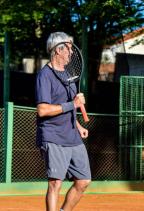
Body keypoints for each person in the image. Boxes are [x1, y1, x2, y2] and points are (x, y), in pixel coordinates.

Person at [35, 32, 91, 211]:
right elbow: (42, 110)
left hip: (72, 136)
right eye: (69, 48)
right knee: (55, 183)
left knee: (83, 181)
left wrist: (78, 125)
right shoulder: (45, 75)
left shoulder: (68, 75)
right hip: (53, 136)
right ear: (58, 50)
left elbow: (70, 109)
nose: (72, 52)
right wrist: (72, 104)